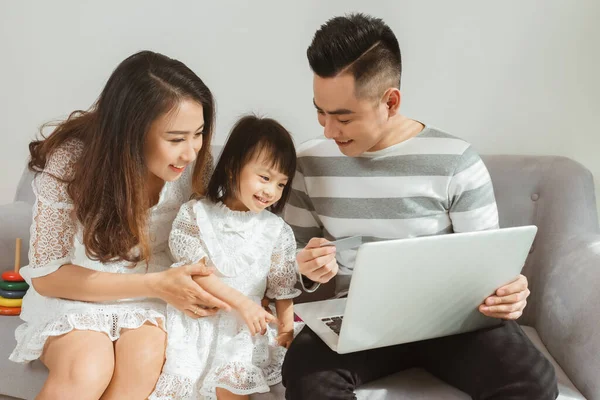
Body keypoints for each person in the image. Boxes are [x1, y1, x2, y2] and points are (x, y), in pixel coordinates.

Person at [282, 13, 558, 400]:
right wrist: (306, 267)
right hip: (357, 321)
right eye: (320, 112)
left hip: (455, 323)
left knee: (533, 382)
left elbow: (489, 269)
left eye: (343, 117)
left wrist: (508, 292)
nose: (328, 130)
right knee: (305, 376)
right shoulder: (309, 162)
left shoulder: (455, 160)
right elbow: (288, 262)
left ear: (390, 101)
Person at [10, 50, 231, 400]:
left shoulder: (194, 166)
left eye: (199, 133)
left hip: (155, 294)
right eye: (175, 139)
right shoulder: (71, 161)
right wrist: (155, 284)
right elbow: (48, 276)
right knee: (87, 366)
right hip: (77, 288)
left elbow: (214, 236)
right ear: (131, 133)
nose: (190, 152)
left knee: (142, 360)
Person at [150, 115, 302, 400]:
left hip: (244, 331)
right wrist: (242, 304)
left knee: (231, 386)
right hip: (197, 323)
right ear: (233, 167)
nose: (271, 191)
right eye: (265, 178)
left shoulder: (276, 231)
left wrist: (286, 330)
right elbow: (195, 273)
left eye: (281, 184)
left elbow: (283, 289)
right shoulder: (195, 214)